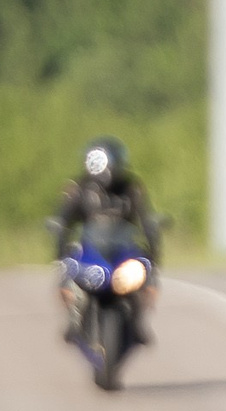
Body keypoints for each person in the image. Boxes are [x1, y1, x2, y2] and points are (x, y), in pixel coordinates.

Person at [49, 137, 162, 342]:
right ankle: (73, 318)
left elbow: (146, 220)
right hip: (89, 248)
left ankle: (137, 320)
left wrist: (153, 254)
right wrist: (60, 246)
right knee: (68, 270)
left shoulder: (131, 188)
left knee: (144, 271)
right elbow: (63, 220)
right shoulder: (78, 189)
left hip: (123, 248)